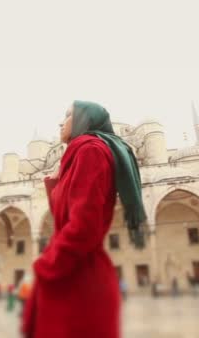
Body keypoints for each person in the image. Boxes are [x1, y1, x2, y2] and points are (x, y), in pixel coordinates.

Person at [22, 101, 147, 338]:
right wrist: (56, 180)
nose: (61, 121)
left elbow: (84, 227)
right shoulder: (77, 154)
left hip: (80, 282)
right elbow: (65, 217)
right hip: (70, 274)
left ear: (84, 121)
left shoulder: (91, 150)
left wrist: (46, 265)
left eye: (68, 115)